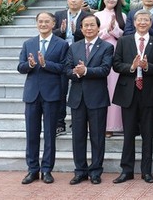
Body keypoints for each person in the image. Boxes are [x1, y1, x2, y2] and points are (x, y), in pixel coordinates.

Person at [112, 9, 153, 184]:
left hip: (149, 93)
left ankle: (146, 172)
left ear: (151, 23)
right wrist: (132, 67)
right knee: (128, 135)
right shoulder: (124, 41)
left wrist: (148, 66)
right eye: (139, 20)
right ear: (134, 23)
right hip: (128, 93)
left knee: (148, 134)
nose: (142, 23)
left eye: (146, 20)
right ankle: (126, 170)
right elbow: (116, 64)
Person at [18, 12, 69, 185]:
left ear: (53, 23)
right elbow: (20, 67)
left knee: (49, 134)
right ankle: (32, 170)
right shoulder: (28, 43)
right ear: (36, 24)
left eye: (47, 21)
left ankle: (47, 170)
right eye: (40, 21)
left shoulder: (62, 44)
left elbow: (64, 68)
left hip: (51, 94)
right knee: (31, 134)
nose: (43, 24)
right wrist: (30, 65)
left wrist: (46, 64)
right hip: (32, 94)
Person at [65, 15, 113, 185]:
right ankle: (80, 171)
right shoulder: (74, 47)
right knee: (77, 136)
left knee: (97, 137)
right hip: (77, 98)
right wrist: (76, 73)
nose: (89, 28)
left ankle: (95, 171)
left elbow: (105, 69)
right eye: (85, 25)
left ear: (98, 28)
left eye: (92, 25)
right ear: (81, 28)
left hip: (97, 98)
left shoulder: (106, 47)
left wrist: (86, 71)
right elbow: (67, 69)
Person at [53, 0, 89, 136]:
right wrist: (60, 30)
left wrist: (77, 32)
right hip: (61, 55)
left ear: (82, 1)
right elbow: (51, 33)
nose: (73, 0)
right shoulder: (59, 14)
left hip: (78, 54)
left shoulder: (87, 16)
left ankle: (78, 122)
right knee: (60, 90)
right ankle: (59, 123)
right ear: (67, 0)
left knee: (79, 90)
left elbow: (90, 34)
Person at [95, 0, 126, 137]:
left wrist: (114, 30)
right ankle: (100, 124)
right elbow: (93, 35)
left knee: (114, 88)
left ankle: (113, 125)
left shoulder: (123, 16)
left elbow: (123, 36)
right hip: (99, 52)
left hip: (115, 52)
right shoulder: (97, 15)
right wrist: (107, 30)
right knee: (101, 88)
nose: (111, 0)